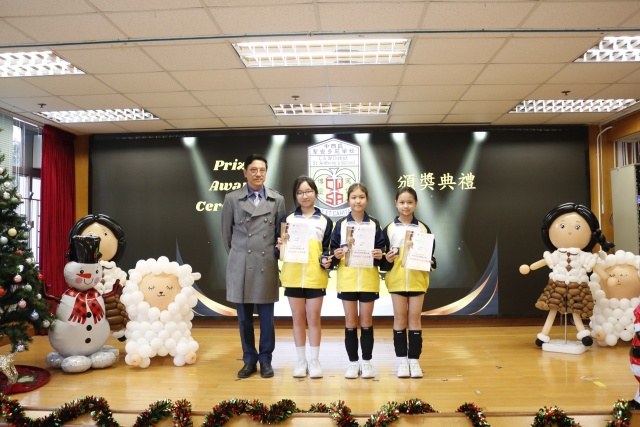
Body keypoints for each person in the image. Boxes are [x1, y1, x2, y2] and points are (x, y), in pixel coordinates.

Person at [221, 153, 286, 379]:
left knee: (267, 319)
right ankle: (249, 360)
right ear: (245, 172)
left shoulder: (277, 200)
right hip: (241, 265)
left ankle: (266, 360)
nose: (258, 174)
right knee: (244, 319)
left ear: (266, 173)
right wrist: (240, 257)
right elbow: (226, 236)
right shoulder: (232, 199)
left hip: (266, 264)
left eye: (262, 170)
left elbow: (280, 235)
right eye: (254, 170)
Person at [519, 203, 614, 347]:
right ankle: (544, 334)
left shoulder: (583, 256)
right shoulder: (557, 255)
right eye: (562, 226)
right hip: (557, 284)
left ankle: (583, 334)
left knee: (576, 310)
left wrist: (607, 278)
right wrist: (530, 267)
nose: (569, 231)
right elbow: (544, 262)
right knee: (553, 309)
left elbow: (595, 267)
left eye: (577, 227)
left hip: (577, 285)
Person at [275, 176, 333, 379]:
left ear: (315, 193)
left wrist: (328, 260)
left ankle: (315, 361)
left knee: (314, 319)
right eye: (300, 192)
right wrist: (280, 246)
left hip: (315, 277)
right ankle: (301, 361)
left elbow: (329, 250)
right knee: (298, 319)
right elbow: (278, 250)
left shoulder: (325, 221)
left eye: (308, 191)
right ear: (295, 195)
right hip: (292, 276)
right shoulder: (288, 219)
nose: (305, 196)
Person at [330, 183, 385, 379]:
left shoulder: (375, 224)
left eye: (361, 197)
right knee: (351, 322)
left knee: (367, 321)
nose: (358, 201)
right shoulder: (340, 225)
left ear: (367, 200)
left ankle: (367, 362)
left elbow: (382, 251)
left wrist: (379, 254)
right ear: (348, 200)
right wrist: (336, 254)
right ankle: (353, 363)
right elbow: (332, 252)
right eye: (354, 197)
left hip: (368, 280)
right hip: (347, 280)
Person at [381, 187, 436, 379]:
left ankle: (414, 360)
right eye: (402, 202)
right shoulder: (389, 229)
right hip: (396, 281)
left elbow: (431, 256)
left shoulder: (423, 228)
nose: (406, 206)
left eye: (410, 202)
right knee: (399, 318)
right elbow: (382, 260)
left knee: (414, 319)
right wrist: (387, 259)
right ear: (396, 204)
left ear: (416, 204)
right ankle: (402, 361)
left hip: (417, 281)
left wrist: (431, 262)